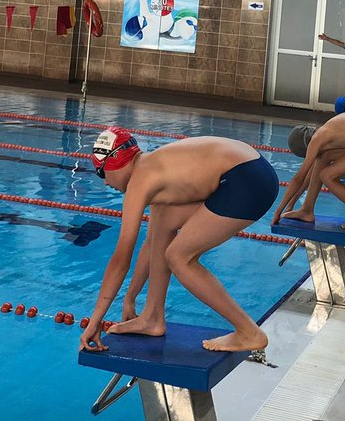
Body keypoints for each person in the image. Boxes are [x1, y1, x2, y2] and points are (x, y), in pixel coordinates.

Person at [79, 127, 278, 354]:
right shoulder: (154, 169)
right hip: (252, 170)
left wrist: (95, 319)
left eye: (101, 173)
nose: (104, 182)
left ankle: (249, 332)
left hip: (247, 181)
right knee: (162, 225)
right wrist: (130, 300)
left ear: (114, 163)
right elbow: (151, 243)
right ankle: (152, 318)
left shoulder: (140, 182)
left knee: (179, 257)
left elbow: (120, 260)